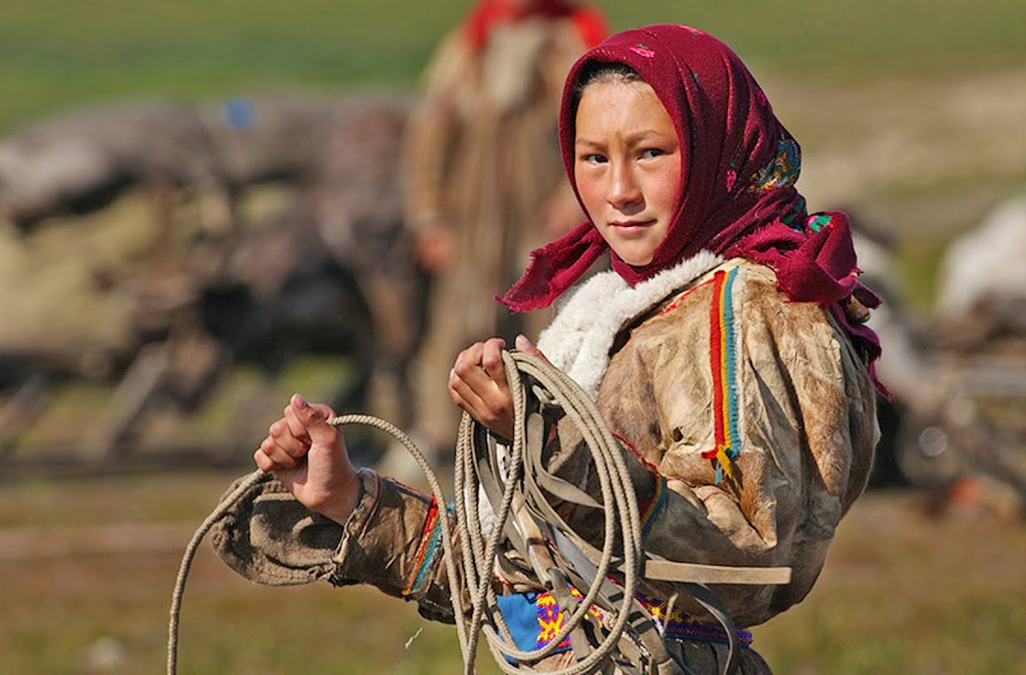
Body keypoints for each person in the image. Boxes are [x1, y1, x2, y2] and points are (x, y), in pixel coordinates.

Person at [214, 25, 883, 673]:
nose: (618, 191)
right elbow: (539, 580)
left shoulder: (748, 310)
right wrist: (353, 500)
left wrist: (550, 440)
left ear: (717, 149)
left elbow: (747, 563)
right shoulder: (614, 312)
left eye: (650, 152)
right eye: (594, 158)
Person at [405, 0, 608, 454]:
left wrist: (572, 200)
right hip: (470, 220)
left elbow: (596, 133)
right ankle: (439, 436)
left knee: (548, 325)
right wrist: (430, 217)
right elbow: (431, 134)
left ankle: (552, 440)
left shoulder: (574, 42)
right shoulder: (472, 45)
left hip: (545, 221)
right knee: (458, 323)